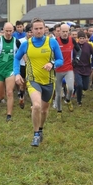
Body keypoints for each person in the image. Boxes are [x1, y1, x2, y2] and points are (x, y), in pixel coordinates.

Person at [13, 17, 63, 147]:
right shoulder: (26, 44)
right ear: (31, 30)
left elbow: (60, 60)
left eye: (41, 28)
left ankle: (40, 129)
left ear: (45, 29)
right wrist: (17, 73)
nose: (39, 31)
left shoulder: (52, 42)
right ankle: (35, 135)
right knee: (36, 106)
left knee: (44, 111)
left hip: (49, 81)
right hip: (33, 80)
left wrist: (52, 64)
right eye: (36, 29)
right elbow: (16, 58)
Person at [54, 23, 81, 116]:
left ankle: (68, 99)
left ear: (69, 32)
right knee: (58, 93)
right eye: (63, 31)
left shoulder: (71, 40)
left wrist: (77, 58)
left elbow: (79, 50)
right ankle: (59, 111)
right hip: (57, 70)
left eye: (67, 31)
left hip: (69, 68)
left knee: (71, 88)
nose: (65, 33)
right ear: (59, 32)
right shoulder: (55, 41)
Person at [75, 31, 93, 106]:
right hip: (77, 68)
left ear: (85, 39)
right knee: (79, 85)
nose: (82, 40)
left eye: (83, 38)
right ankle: (79, 101)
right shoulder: (75, 46)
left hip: (87, 68)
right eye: (80, 38)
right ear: (78, 39)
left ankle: (80, 90)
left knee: (85, 87)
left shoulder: (88, 46)